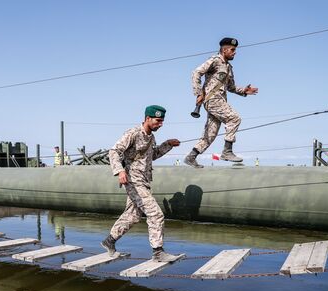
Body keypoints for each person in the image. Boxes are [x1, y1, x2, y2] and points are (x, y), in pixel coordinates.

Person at [101, 105, 180, 262]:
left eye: (162, 121)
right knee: (155, 214)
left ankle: (109, 241)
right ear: (147, 119)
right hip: (133, 180)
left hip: (143, 180)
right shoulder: (133, 133)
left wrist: (168, 144)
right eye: (158, 120)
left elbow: (152, 155)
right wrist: (120, 171)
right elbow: (114, 151)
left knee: (133, 215)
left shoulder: (151, 137)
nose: (161, 124)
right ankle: (158, 252)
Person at [184, 37, 258, 168]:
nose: (235, 52)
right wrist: (198, 93)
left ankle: (191, 156)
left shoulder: (228, 67)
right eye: (232, 50)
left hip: (219, 101)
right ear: (224, 50)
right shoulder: (215, 60)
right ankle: (227, 152)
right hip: (213, 100)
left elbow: (231, 87)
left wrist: (245, 91)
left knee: (210, 134)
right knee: (234, 118)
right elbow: (196, 72)